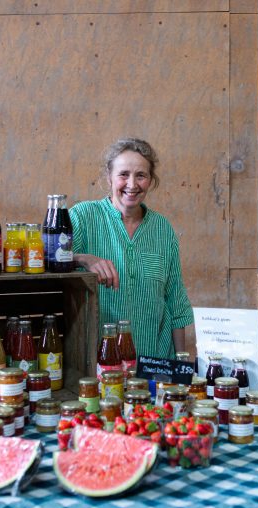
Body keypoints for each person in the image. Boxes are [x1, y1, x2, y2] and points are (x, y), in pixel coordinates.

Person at [70, 138, 195, 360]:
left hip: (155, 361)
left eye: (141, 175)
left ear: (150, 180)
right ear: (109, 177)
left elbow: (175, 301)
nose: (132, 184)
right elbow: (48, 263)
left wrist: (181, 365)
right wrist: (82, 258)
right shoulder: (82, 217)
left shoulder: (162, 228)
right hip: (98, 363)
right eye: (123, 174)